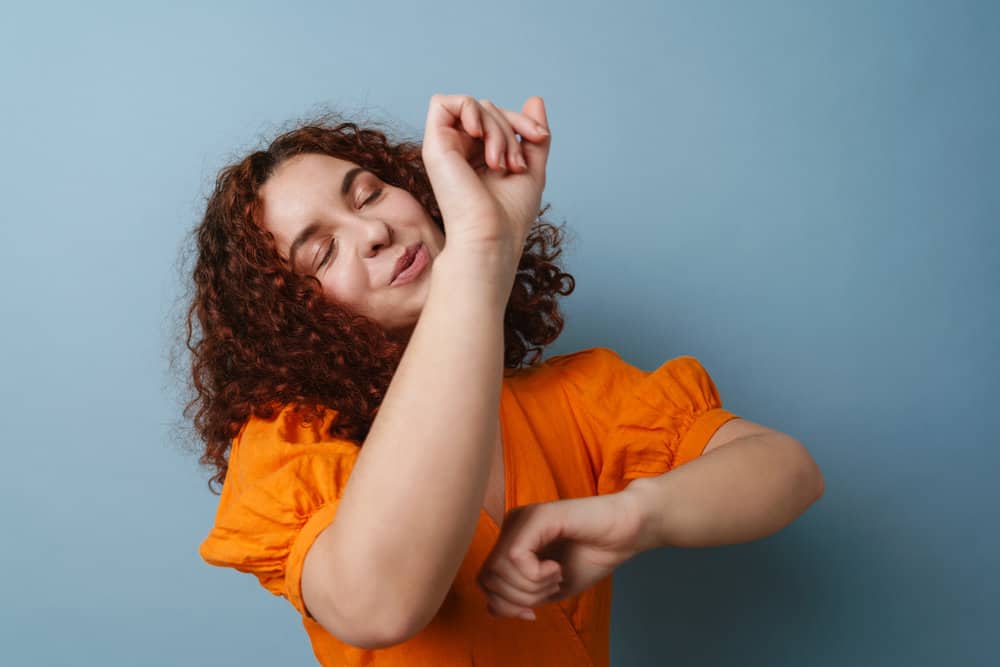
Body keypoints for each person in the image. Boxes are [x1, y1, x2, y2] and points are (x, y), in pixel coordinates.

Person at [189, 94, 821, 666]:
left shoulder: (575, 398)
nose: (375, 232)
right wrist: (483, 251)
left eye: (369, 195)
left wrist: (638, 516)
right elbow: (379, 605)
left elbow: (787, 470)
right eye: (322, 252)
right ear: (290, 316)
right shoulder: (290, 449)